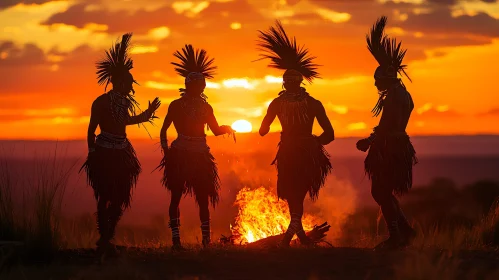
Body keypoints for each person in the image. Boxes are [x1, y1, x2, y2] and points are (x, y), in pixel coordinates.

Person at [80, 33, 161, 256]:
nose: (131, 87)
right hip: (104, 153)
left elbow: (125, 121)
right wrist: (93, 153)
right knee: (104, 195)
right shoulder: (101, 102)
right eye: (129, 82)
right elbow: (91, 130)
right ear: (120, 82)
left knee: (119, 197)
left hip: (122, 151)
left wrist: (148, 113)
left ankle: (108, 235)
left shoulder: (123, 102)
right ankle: (104, 236)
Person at [257, 21, 335, 247]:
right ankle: (298, 236)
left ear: (284, 83)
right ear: (300, 82)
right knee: (296, 194)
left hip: (289, 152)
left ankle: (288, 238)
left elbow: (262, 131)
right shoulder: (313, 103)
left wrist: (271, 125)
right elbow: (329, 134)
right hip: (307, 152)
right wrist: (313, 143)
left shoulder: (276, 103)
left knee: (293, 193)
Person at [157, 44, 235, 250]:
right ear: (189, 85)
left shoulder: (206, 107)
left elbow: (216, 130)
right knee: (176, 196)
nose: (199, 88)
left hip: (200, 155)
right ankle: (176, 241)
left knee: (203, 198)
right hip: (181, 154)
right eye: (196, 85)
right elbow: (164, 129)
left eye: (201, 85)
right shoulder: (176, 105)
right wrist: (167, 152)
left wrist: (227, 128)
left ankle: (206, 241)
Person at [357, 16, 418, 250]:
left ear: (386, 78)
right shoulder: (404, 94)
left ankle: (396, 237)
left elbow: (385, 125)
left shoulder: (393, 96)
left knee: (380, 191)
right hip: (399, 146)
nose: (375, 85)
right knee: (384, 191)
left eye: (377, 80)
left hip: (389, 148)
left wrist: (368, 140)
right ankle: (406, 232)